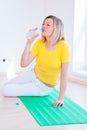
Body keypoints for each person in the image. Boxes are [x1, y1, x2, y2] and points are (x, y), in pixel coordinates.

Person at [2, 15, 71, 107]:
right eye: (43, 24)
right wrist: (29, 42)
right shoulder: (40, 43)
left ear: (56, 29)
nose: (43, 26)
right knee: (6, 85)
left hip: (43, 86)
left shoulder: (64, 46)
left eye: (48, 24)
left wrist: (61, 99)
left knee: (6, 90)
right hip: (33, 74)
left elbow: (64, 75)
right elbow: (23, 64)